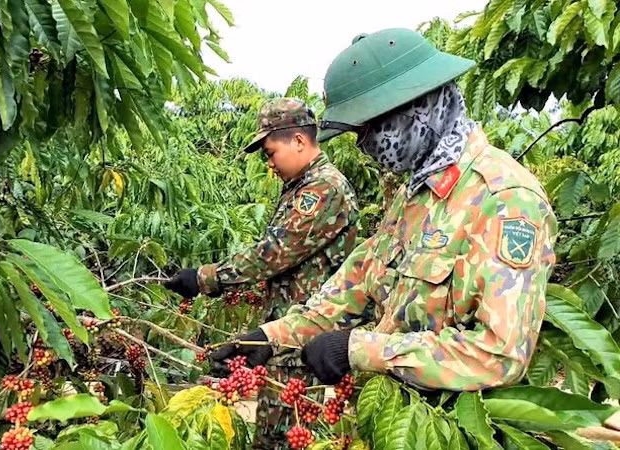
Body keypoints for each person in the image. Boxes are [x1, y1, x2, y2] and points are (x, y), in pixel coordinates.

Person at [210, 28, 557, 392]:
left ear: (415, 109)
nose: (364, 146)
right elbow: (356, 285)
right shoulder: (414, 195)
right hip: (392, 409)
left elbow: (498, 355)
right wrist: (271, 336)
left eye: (369, 129)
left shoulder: (505, 199)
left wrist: (361, 349)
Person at [164, 98, 359, 448]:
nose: (269, 164)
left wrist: (205, 278)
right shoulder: (301, 187)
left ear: (298, 140)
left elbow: (274, 253)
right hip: (285, 335)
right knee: (272, 434)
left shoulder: (324, 188)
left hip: (303, 340)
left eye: (270, 153)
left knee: (284, 438)